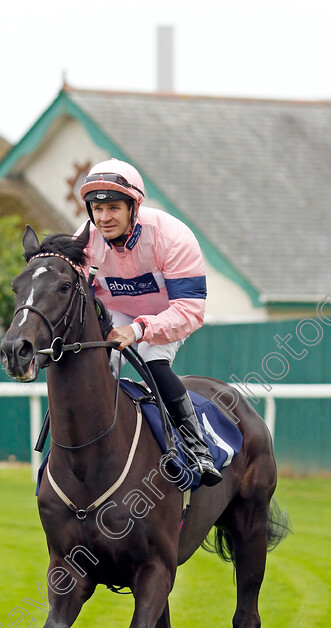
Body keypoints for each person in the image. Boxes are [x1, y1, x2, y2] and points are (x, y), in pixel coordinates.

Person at [78, 158, 221, 484]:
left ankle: (197, 447)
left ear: (134, 206)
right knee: (93, 366)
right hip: (114, 313)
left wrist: (140, 329)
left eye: (113, 207)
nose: (104, 218)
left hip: (167, 314)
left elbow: (191, 310)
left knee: (154, 362)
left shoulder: (173, 237)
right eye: (97, 209)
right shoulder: (85, 240)